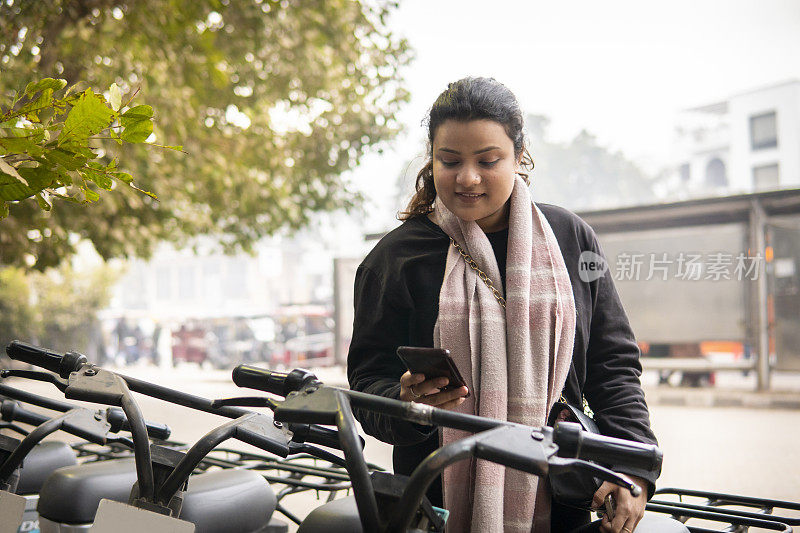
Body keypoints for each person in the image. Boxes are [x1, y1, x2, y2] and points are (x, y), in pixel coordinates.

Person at [347, 77, 658, 533]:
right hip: (432, 505)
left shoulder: (570, 239)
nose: (467, 177)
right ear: (430, 160)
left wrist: (632, 466)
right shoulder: (396, 259)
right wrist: (405, 401)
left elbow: (613, 366)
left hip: (562, 498)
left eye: (487, 160)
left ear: (519, 156)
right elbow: (366, 382)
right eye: (449, 161)